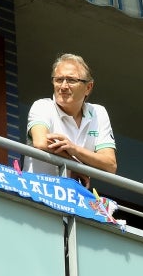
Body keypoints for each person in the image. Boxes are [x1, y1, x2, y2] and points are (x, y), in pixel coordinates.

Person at [26, 53, 117, 187]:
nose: (63, 86)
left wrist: (74, 149)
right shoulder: (42, 106)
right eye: (58, 80)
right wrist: (75, 165)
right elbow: (41, 143)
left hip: (73, 200)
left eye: (71, 80)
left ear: (88, 87)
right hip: (37, 192)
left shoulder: (99, 113)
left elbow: (110, 165)